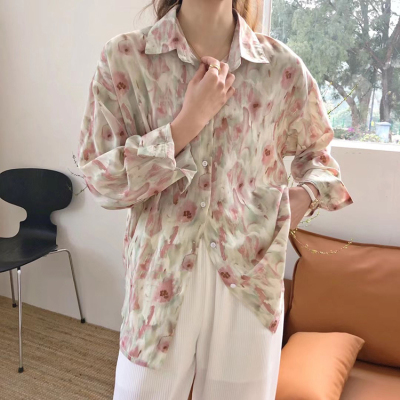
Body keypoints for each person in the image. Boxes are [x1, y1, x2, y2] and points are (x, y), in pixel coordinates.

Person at [77, 0, 354, 399]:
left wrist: (306, 196)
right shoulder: (126, 58)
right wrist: (183, 126)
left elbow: (319, 155)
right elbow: (101, 178)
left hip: (250, 279)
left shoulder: (281, 68)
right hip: (159, 276)